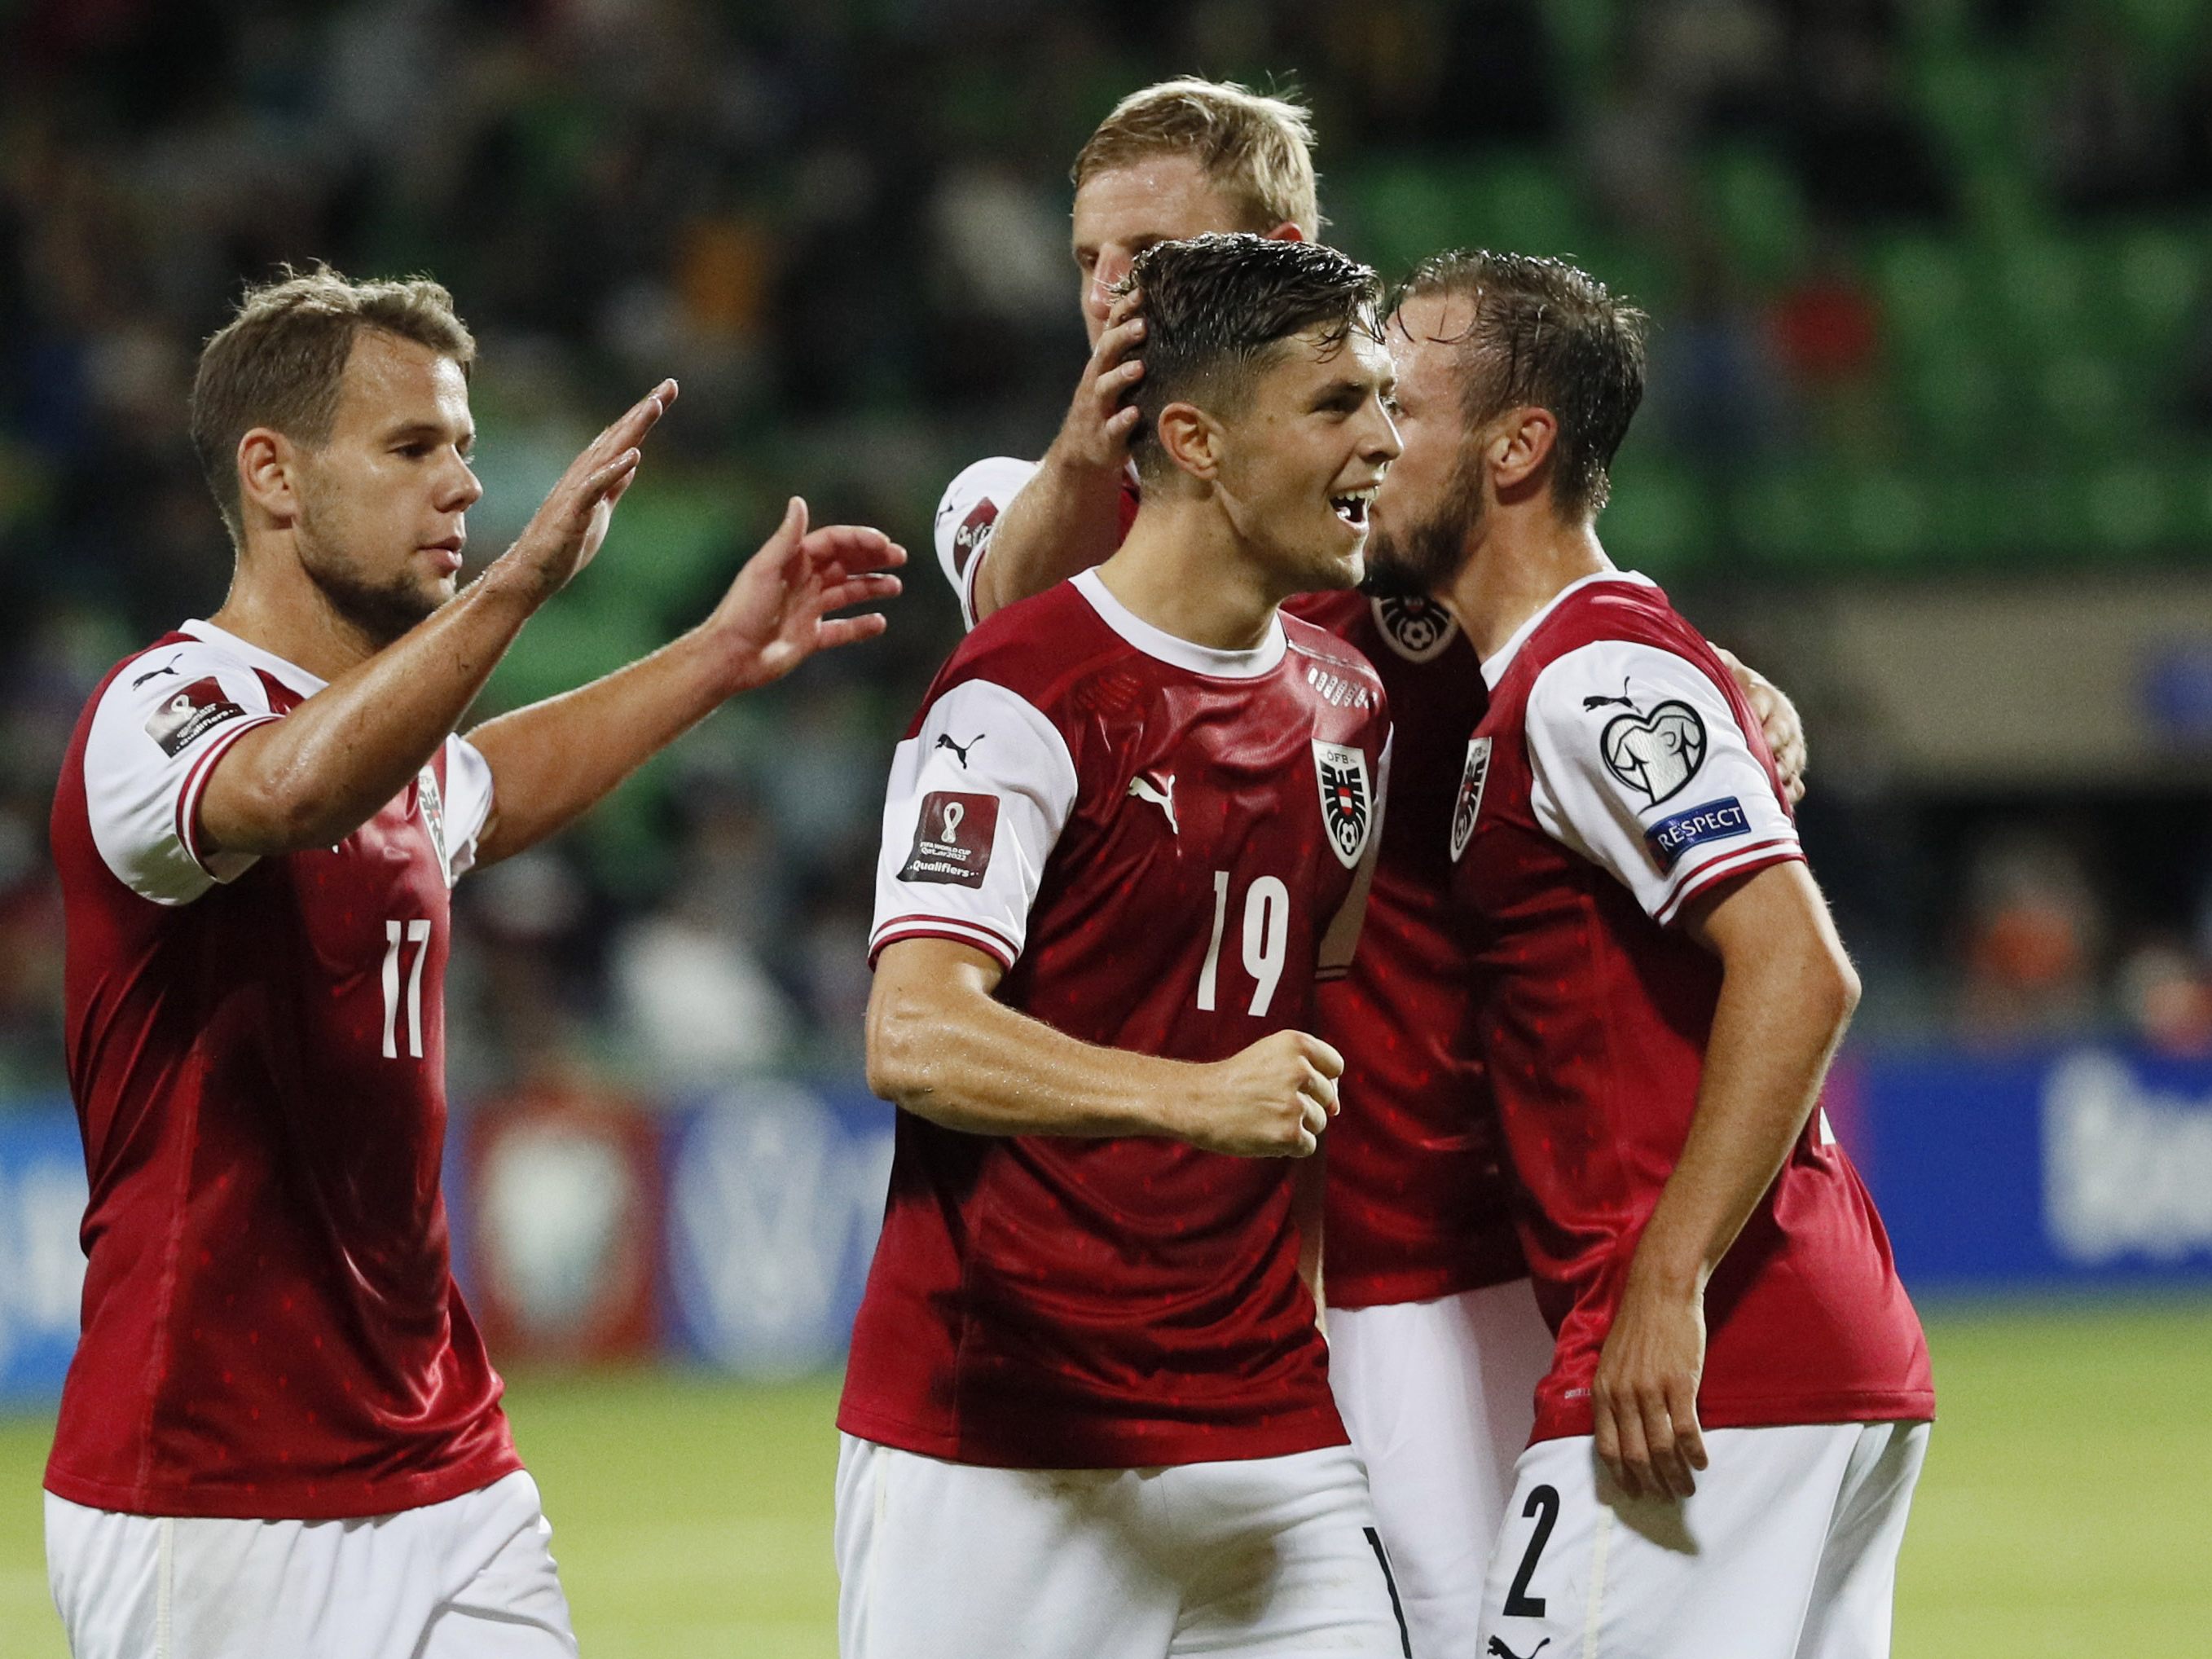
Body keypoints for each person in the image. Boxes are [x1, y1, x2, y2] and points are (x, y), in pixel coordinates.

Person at [930, 75, 1810, 1655]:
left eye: (1150, 250)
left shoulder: (1377, 523)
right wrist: (1088, 443)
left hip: (1465, 1229)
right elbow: (1010, 627)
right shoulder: (1026, 504)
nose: (1107, 293)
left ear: (1276, 248)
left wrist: (1716, 672)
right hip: (1222, 1262)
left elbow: (1562, 591)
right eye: (1085, 259)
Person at [45, 266, 903, 1659]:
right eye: (409, 449)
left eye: (465, 449)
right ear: (272, 474)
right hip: (213, 1488)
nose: (460, 484)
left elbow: (479, 787)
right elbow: (293, 792)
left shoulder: (385, 752)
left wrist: (716, 655)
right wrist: (517, 587)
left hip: (446, 1457)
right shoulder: (164, 709)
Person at [842, 235, 1405, 1659]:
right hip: (1010, 1437)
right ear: (1198, 439)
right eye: (1339, 404)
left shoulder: (1347, 702)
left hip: (1268, 1425)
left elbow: (1314, 1037)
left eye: (1384, 400)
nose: (1385, 442)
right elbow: (912, 1032)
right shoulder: (1021, 692)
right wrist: (1192, 1094)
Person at [1366, 249, 1933, 1658]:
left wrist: (1664, 1284)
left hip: (1706, 1370)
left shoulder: (1588, 682)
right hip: (1807, 1364)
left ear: (1517, 446)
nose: (1369, 443)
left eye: (1400, 408)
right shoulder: (1607, 659)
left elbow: (1802, 970)